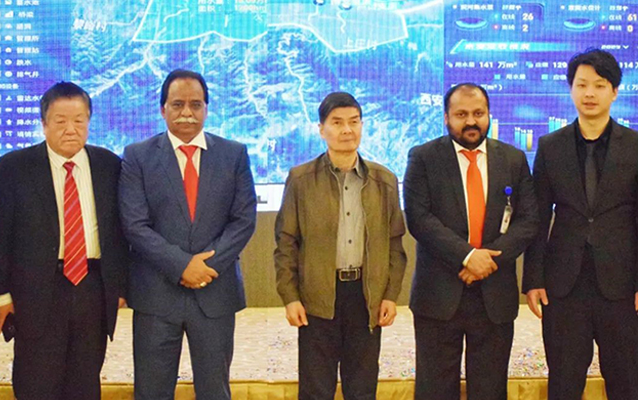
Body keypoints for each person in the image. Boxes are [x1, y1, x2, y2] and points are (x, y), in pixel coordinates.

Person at [118, 69, 257, 400]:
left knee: (214, 391)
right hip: (156, 295)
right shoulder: (137, 156)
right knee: (151, 392)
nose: (187, 113)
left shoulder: (233, 154)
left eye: (196, 104)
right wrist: (182, 266)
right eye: (177, 104)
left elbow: (243, 220)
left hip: (214, 292)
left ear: (206, 108)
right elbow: (135, 225)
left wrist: (204, 268)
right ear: (162, 109)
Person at [404, 83, 538, 400]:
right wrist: (467, 257)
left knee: (490, 391)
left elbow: (528, 220)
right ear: (446, 118)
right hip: (438, 295)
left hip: (494, 295)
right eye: (461, 114)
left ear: (489, 114)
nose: (471, 122)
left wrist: (487, 261)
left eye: (478, 113)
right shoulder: (424, 157)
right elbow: (420, 219)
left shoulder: (513, 159)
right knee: (434, 391)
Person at [0, 82, 129, 400]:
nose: (71, 129)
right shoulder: (14, 168)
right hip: (36, 292)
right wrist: (1, 294)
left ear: (89, 121)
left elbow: (122, 232)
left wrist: (121, 287)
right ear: (44, 124)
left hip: (92, 288)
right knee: (36, 384)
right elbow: (1, 234)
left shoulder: (109, 166)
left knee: (84, 385)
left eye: (79, 120)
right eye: (60, 121)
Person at [274, 92, 407, 399]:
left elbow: (395, 244)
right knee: (316, 388)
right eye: (337, 123)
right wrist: (290, 296)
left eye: (354, 122)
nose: (347, 130)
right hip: (318, 296)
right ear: (321, 129)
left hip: (366, 296)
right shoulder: (301, 179)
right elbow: (286, 243)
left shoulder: (384, 180)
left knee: (362, 388)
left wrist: (390, 294)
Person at [523, 49, 638, 400]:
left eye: (599, 85)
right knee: (564, 381)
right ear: (570, 89)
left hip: (623, 284)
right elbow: (539, 216)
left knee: (628, 380)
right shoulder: (550, 146)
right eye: (582, 84)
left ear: (614, 92)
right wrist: (534, 279)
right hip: (564, 285)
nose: (590, 93)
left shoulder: (635, 146)